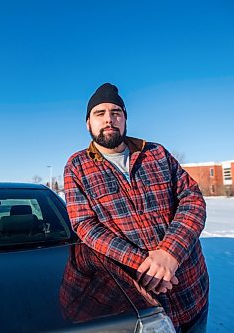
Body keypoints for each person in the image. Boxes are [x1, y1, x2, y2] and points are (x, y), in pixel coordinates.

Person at [63, 83, 209, 332]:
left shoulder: (156, 153)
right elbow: (85, 225)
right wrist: (146, 264)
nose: (109, 119)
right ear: (88, 123)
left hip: (190, 290)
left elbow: (192, 199)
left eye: (116, 112)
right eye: (100, 113)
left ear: (125, 119)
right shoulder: (77, 166)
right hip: (137, 302)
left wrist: (169, 255)